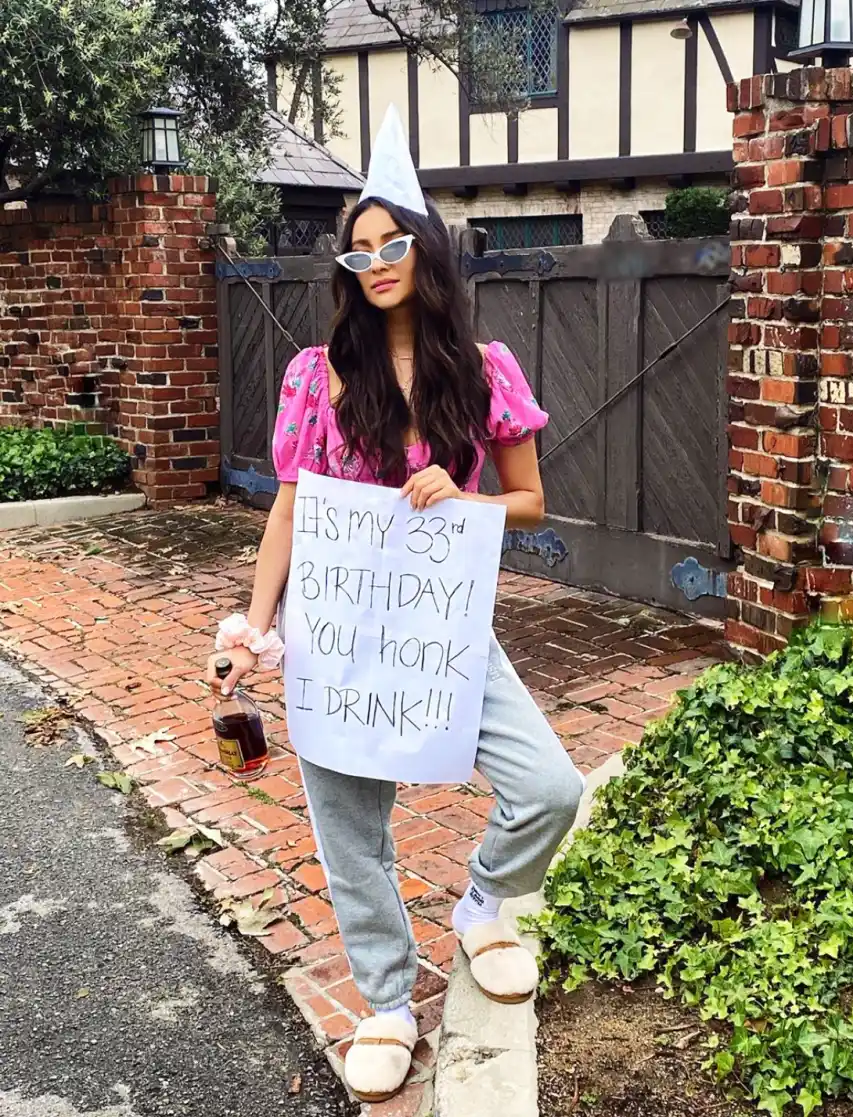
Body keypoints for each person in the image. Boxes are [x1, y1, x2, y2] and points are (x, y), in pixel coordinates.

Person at [207, 106, 583, 1104]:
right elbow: (290, 503)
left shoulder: (484, 371)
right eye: (359, 249)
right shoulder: (317, 375)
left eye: (394, 243)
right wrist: (258, 624)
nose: (376, 262)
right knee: (348, 824)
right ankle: (382, 999)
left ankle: (487, 905)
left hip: (444, 632)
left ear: (428, 252)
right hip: (337, 641)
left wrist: (466, 500)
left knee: (549, 787)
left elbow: (532, 501)